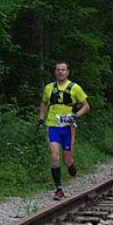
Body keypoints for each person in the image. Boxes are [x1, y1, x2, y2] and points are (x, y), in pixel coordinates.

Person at [37, 61, 90, 200]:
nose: (60, 72)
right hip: (53, 125)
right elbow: (44, 103)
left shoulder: (75, 88)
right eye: (58, 70)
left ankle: (71, 164)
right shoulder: (49, 88)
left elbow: (86, 106)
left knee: (67, 159)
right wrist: (41, 119)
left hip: (68, 127)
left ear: (67, 72)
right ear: (55, 72)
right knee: (54, 155)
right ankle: (58, 189)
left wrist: (76, 115)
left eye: (63, 69)